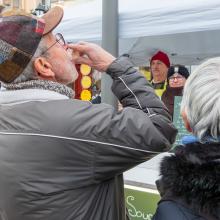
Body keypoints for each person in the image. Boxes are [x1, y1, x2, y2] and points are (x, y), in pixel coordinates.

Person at [0, 7, 177, 220]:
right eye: (57, 41)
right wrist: (115, 66)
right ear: (44, 66)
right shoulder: (75, 121)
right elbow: (158, 128)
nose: (66, 46)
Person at [153, 58, 220, 220]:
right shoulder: (164, 97)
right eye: (172, 78)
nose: (175, 80)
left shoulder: (173, 209)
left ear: (186, 119)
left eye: (179, 77)